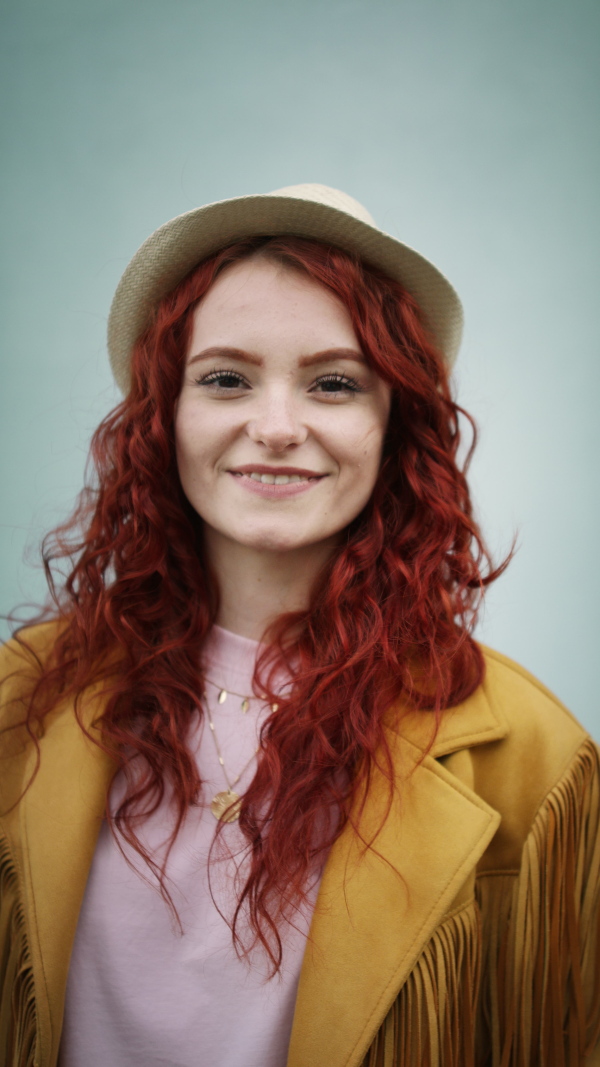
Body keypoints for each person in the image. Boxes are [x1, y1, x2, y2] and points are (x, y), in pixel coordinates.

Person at [0, 183, 598, 1067]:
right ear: (164, 418)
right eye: (226, 378)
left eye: (333, 382)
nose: (276, 427)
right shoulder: (19, 696)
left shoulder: (535, 763)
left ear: (394, 425)